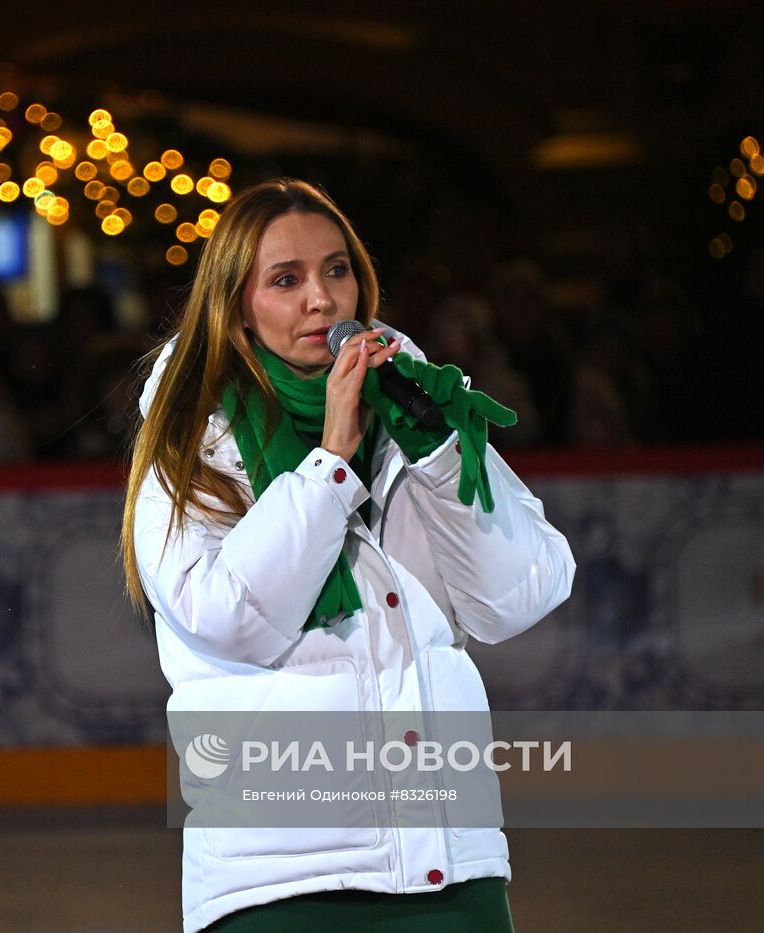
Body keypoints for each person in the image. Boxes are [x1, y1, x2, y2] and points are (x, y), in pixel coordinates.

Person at [121, 179, 575, 932]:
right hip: (277, 881)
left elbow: (519, 596)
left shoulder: (415, 418)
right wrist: (331, 463)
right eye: (286, 279)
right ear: (235, 306)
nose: (321, 300)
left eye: (337, 270)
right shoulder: (189, 447)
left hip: (448, 870)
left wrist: (438, 453)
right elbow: (229, 618)